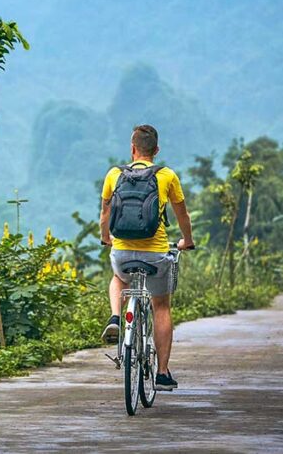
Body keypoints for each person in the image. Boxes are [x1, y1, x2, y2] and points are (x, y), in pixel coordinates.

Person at [99, 124, 194, 391]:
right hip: (155, 256)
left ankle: (116, 318)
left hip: (122, 252)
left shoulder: (114, 174)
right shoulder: (167, 176)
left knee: (118, 278)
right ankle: (162, 373)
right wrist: (187, 241)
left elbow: (105, 215)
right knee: (161, 305)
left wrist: (106, 238)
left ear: (132, 149)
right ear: (156, 150)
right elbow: (182, 215)